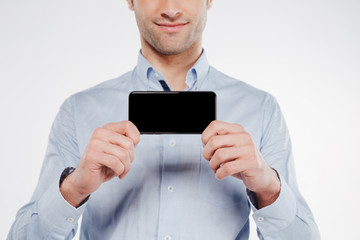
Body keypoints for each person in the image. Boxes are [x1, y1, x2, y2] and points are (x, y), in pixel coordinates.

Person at [8, 0, 320, 239]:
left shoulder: (261, 109)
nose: (171, 9)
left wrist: (268, 185)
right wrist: (73, 188)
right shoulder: (78, 110)